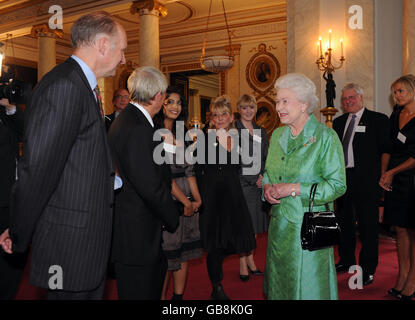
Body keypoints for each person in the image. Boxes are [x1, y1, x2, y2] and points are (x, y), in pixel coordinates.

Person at [0, 11, 127, 300]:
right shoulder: (65, 86)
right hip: (69, 245)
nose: (122, 59)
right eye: (122, 50)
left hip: (84, 242)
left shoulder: (81, 86)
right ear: (104, 45)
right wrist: (19, 231)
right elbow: (38, 169)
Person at [262, 73, 346, 300]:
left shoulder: (325, 137)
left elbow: (337, 186)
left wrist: (294, 188)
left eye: (285, 101)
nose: (278, 107)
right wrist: (268, 188)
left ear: (304, 104)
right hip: (279, 228)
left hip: (308, 229)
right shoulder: (278, 135)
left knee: (307, 289)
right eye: (277, 101)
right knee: (280, 287)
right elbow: (270, 173)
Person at [108, 67, 179, 300]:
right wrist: (172, 216)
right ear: (158, 95)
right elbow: (149, 185)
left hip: (135, 230)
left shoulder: (130, 119)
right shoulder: (137, 127)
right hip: (136, 235)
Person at [333, 83, 392, 287]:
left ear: (361, 97)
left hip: (368, 181)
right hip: (344, 180)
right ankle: (346, 260)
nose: (348, 102)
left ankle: (368, 269)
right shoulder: (338, 122)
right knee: (344, 223)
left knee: (368, 227)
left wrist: (384, 175)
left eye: (352, 98)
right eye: (345, 99)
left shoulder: (378, 120)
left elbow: (386, 150)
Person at [198, 95, 256, 300]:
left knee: (239, 241)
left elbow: (246, 165)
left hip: (233, 195)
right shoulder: (204, 138)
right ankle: (217, 286)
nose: (220, 118)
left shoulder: (239, 138)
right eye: (216, 115)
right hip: (212, 197)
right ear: (211, 118)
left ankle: (218, 277)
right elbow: (197, 171)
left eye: (224, 114)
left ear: (232, 117)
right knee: (214, 245)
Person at [153, 86, 203, 300]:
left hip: (187, 199)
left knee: (183, 253)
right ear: (161, 103)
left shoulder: (182, 134)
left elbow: (189, 170)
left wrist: (197, 198)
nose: (175, 106)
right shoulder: (153, 134)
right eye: (170, 101)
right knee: (168, 256)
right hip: (168, 199)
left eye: (178, 102)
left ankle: (178, 300)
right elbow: (164, 177)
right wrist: (186, 203)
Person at [380, 74, 415, 300]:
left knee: (413, 229)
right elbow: (388, 148)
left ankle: (412, 280)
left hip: (412, 178)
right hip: (395, 178)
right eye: (395, 92)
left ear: (412, 90)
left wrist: (392, 172)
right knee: (400, 229)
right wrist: (384, 174)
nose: (397, 95)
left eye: (400, 91)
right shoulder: (395, 115)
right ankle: (402, 275)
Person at [235, 94, 269, 281]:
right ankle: (243, 262)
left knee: (255, 226)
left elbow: (266, 156)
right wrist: (251, 177)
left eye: (251, 107)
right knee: (244, 226)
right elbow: (235, 161)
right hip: (241, 184)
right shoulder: (234, 131)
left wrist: (263, 176)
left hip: (258, 185)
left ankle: (250, 259)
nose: (248, 111)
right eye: (244, 107)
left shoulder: (261, 131)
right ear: (239, 110)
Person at [0, 98, 26, 299]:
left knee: (12, 256)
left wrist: (11, 108)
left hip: (12, 197)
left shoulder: (6, 114)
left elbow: (27, 132)